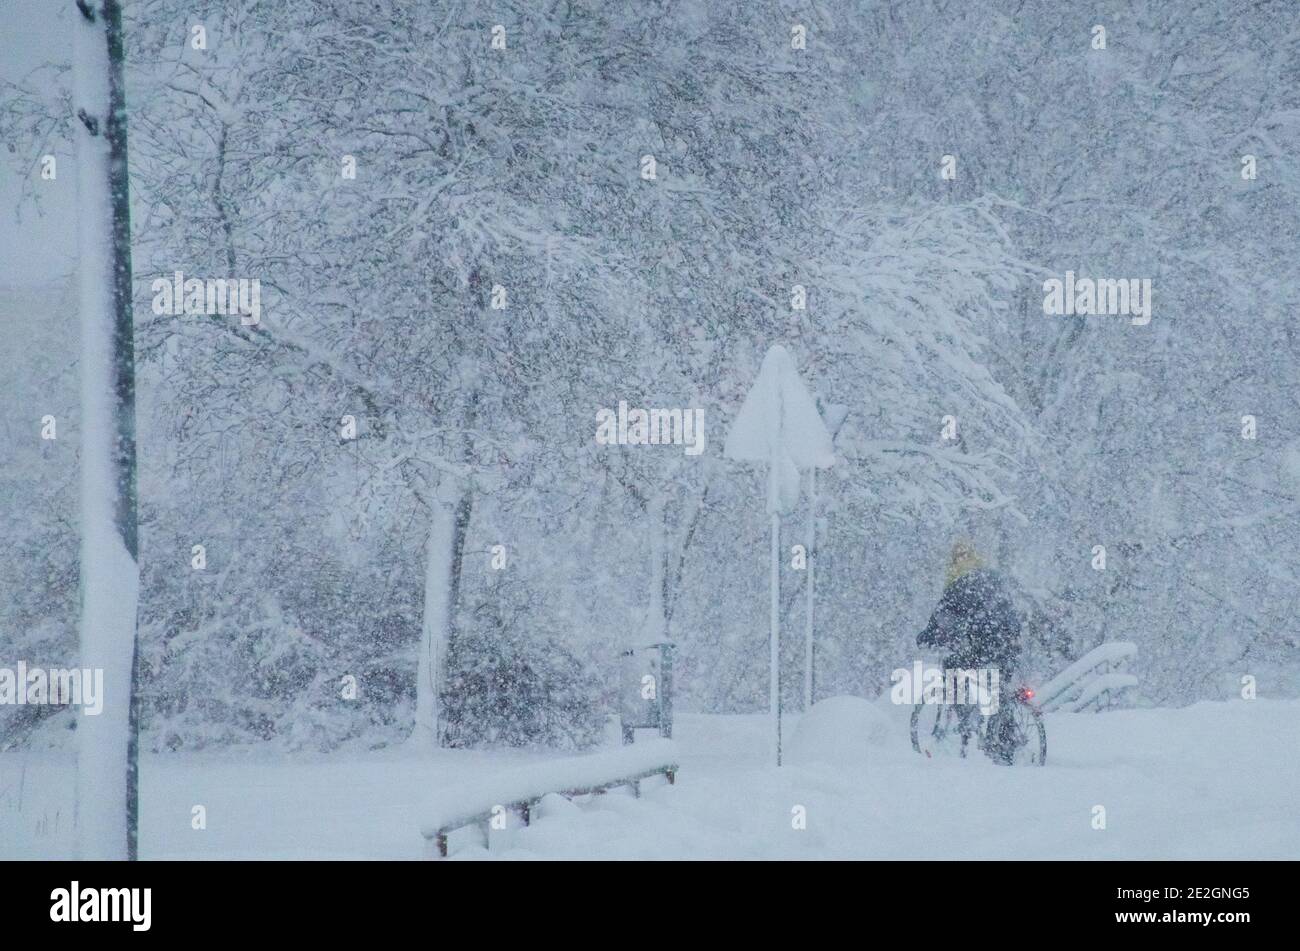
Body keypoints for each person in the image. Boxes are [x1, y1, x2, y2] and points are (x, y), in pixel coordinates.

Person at [917, 540, 1022, 762]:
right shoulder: (991, 577)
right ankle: (1004, 740)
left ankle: (966, 725)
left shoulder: (957, 581)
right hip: (1008, 642)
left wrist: (927, 636)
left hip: (985, 641)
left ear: (955, 559)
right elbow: (1007, 610)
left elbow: (942, 618)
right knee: (998, 689)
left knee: (953, 668)